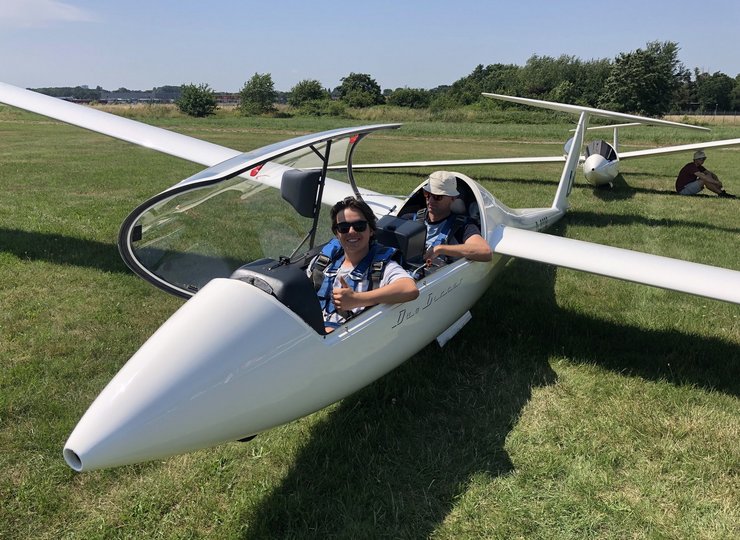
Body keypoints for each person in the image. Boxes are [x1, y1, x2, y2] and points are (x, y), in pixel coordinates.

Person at [308, 196, 419, 333]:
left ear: (371, 230)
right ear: (337, 233)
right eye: (343, 228)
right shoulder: (323, 262)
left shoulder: (382, 267)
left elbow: (410, 289)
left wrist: (356, 299)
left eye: (359, 226)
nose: (352, 231)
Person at [408, 171, 492, 263]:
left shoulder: (462, 226)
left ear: (453, 198)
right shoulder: (410, 219)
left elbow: (485, 252)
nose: (430, 201)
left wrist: (440, 249)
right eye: (427, 194)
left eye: (437, 197)